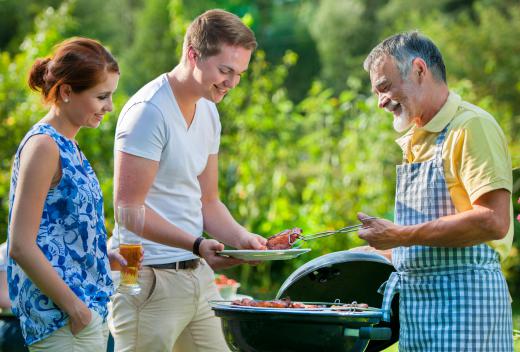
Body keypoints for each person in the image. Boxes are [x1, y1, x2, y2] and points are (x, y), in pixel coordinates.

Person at [110, 9, 266, 352]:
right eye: (225, 70)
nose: (232, 83)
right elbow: (128, 211)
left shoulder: (209, 109)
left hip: (195, 274)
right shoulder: (148, 112)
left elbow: (208, 201)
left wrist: (244, 240)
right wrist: (195, 243)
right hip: (145, 275)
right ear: (193, 54)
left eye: (239, 74)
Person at [358, 31, 514, 351]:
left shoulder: (471, 127)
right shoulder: (418, 137)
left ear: (418, 70)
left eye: (385, 87)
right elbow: (432, 239)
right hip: (420, 311)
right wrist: (378, 252)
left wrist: (400, 236)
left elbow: (494, 221)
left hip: (468, 307)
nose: (380, 101)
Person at [7, 37, 119, 351]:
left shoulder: (69, 144)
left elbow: (55, 231)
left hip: (86, 314)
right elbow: (20, 245)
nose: (109, 106)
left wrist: (99, 255)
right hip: (62, 320)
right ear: (67, 92)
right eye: (101, 96)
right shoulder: (44, 146)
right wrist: (75, 309)